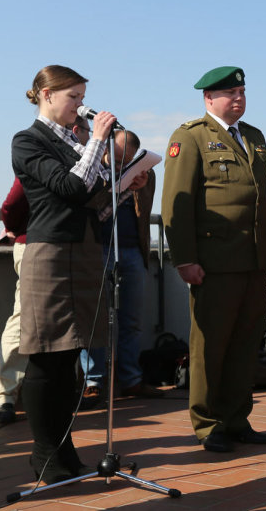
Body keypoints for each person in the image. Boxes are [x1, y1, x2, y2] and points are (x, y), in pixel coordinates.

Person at [162, 66, 266, 452]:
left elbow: (264, 201)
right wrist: (184, 259)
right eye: (230, 93)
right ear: (209, 99)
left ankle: (236, 418)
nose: (238, 99)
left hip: (253, 260)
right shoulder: (190, 137)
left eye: (242, 91)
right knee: (211, 345)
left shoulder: (255, 137)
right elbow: (176, 204)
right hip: (214, 262)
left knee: (246, 343)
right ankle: (208, 424)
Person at [11, 65, 115, 482]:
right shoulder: (28, 141)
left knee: (71, 353)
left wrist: (122, 184)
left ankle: (64, 447)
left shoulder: (75, 142)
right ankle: (44, 453)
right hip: (51, 252)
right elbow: (69, 188)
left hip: (84, 250)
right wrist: (99, 143)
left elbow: (93, 200)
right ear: (45, 95)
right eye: (73, 96)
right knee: (47, 358)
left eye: (82, 96)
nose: (81, 106)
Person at [82, 129, 160, 400]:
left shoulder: (143, 174)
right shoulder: (90, 170)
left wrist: (136, 180)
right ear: (103, 151)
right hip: (96, 250)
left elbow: (145, 204)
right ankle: (93, 382)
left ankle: (130, 379)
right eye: (115, 159)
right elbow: (90, 204)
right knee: (95, 320)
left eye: (125, 161)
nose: (120, 166)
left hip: (132, 251)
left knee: (132, 320)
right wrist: (116, 182)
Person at [0, 178, 30, 425]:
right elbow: (12, 204)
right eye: (83, 133)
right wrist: (15, 227)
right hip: (34, 243)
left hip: (73, 249)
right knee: (24, 319)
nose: (86, 135)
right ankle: (3, 395)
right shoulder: (40, 147)